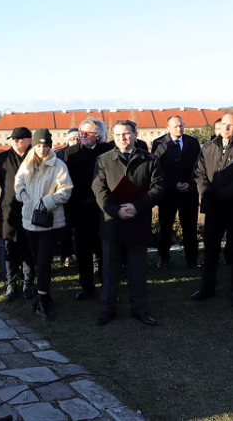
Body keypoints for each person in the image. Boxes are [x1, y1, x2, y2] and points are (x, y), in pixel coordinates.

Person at [92, 120, 164, 326]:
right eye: (117, 135)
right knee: (109, 271)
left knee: (138, 271)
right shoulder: (103, 159)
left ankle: (139, 309)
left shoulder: (149, 159)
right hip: (112, 223)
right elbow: (99, 190)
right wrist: (115, 211)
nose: (122, 138)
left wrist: (137, 207)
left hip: (138, 221)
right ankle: (108, 309)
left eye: (126, 134)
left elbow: (158, 188)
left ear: (135, 134)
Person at [192, 111, 233, 307]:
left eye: (230, 125)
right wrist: (206, 191)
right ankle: (207, 287)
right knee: (210, 249)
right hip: (213, 207)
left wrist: (223, 194)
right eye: (223, 124)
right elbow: (199, 172)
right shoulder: (209, 146)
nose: (226, 128)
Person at [14, 128, 73, 320]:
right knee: (36, 260)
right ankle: (43, 294)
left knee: (44, 262)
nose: (42, 149)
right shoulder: (27, 163)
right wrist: (23, 196)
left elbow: (66, 190)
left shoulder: (58, 166)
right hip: (30, 220)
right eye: (39, 146)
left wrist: (48, 202)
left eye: (45, 146)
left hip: (51, 222)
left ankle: (43, 299)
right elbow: (18, 182)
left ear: (50, 146)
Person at [64, 118, 112, 299]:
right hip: (79, 209)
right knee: (83, 250)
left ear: (97, 136)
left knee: (103, 250)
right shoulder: (71, 153)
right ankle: (86, 286)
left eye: (87, 133)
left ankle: (106, 285)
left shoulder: (106, 151)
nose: (82, 136)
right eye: (80, 132)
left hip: (102, 208)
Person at [151, 115, 201, 269]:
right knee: (165, 227)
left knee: (190, 227)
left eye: (181, 125)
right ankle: (163, 257)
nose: (179, 128)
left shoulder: (193, 142)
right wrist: (174, 183)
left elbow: (199, 165)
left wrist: (190, 183)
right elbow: (158, 168)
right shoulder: (159, 143)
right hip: (168, 193)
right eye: (175, 126)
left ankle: (191, 259)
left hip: (189, 191)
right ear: (168, 128)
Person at [0, 127, 36, 301]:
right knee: (9, 249)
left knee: (28, 248)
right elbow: (1, 180)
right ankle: (11, 284)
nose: (14, 142)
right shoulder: (3, 157)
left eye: (18, 139)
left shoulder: (35, 156)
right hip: (9, 209)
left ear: (27, 140)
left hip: (30, 208)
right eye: (12, 139)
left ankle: (28, 283)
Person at [55, 127, 80, 267]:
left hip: (80, 197)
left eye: (77, 138)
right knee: (65, 229)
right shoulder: (60, 155)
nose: (75, 141)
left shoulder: (84, 153)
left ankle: (78, 255)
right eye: (72, 139)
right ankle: (65, 256)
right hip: (64, 197)